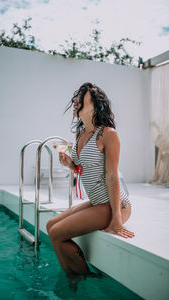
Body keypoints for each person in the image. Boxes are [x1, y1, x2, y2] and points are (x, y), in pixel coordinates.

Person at [46, 82, 135, 277]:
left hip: (115, 205)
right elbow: (85, 168)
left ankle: (83, 279)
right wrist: (71, 165)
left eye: (80, 97)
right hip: (97, 202)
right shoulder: (79, 135)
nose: (75, 101)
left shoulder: (108, 134)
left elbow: (112, 175)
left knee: (56, 233)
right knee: (50, 225)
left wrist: (117, 221)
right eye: (75, 97)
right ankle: (72, 275)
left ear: (95, 104)